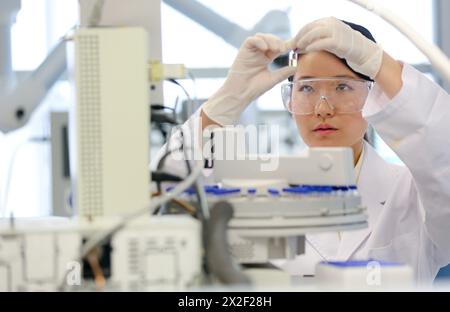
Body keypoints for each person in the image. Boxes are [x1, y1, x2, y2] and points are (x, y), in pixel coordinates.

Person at [155, 17, 450, 284]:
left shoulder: (414, 195)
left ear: (374, 96)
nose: (323, 108)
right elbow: (165, 198)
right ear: (290, 99)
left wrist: (380, 63)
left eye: (343, 87)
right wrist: (227, 100)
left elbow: (441, 153)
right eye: (307, 88)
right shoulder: (254, 194)